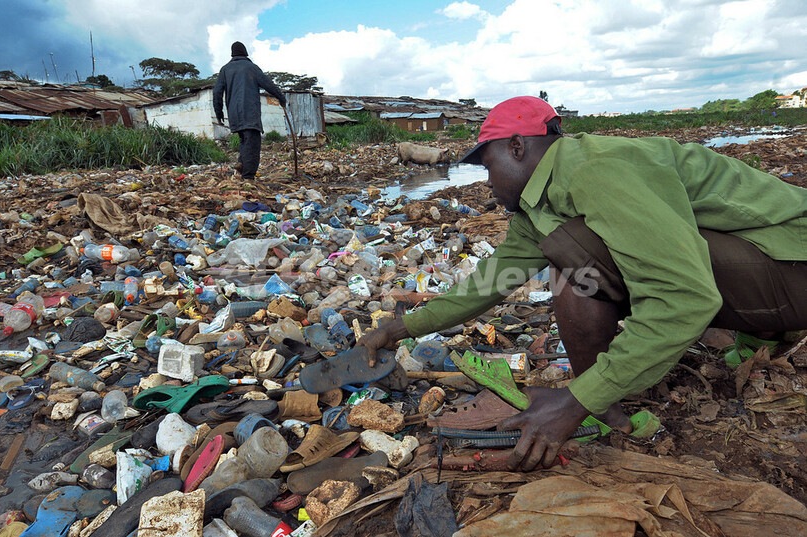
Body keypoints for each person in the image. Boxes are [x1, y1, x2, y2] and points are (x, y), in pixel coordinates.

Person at [357, 95, 807, 472]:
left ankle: (598, 405)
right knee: (575, 255)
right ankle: (752, 338)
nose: (488, 181)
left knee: (574, 267)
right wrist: (398, 329)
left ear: (517, 147)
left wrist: (575, 401)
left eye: (488, 165)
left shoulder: (597, 170)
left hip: (794, 267)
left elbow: (686, 295)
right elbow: (490, 282)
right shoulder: (540, 205)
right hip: (765, 275)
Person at [213, 41, 286, 180]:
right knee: (253, 145)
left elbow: (217, 92)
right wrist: (281, 98)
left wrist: (219, 113)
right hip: (250, 113)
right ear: (245, 52)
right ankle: (248, 178)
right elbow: (268, 84)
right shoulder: (252, 68)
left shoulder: (225, 70)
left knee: (245, 140)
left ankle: (241, 162)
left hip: (234, 114)